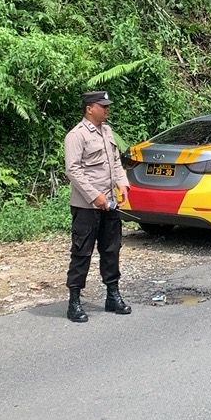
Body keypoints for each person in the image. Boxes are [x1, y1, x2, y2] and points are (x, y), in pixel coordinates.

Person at [63, 90, 133, 323]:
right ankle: (74, 301)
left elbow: (114, 162)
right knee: (82, 252)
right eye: (102, 106)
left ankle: (112, 295)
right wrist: (94, 196)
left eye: (107, 105)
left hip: (109, 203)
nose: (107, 109)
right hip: (86, 206)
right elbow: (73, 170)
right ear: (89, 108)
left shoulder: (107, 131)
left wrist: (122, 183)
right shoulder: (77, 135)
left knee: (111, 249)